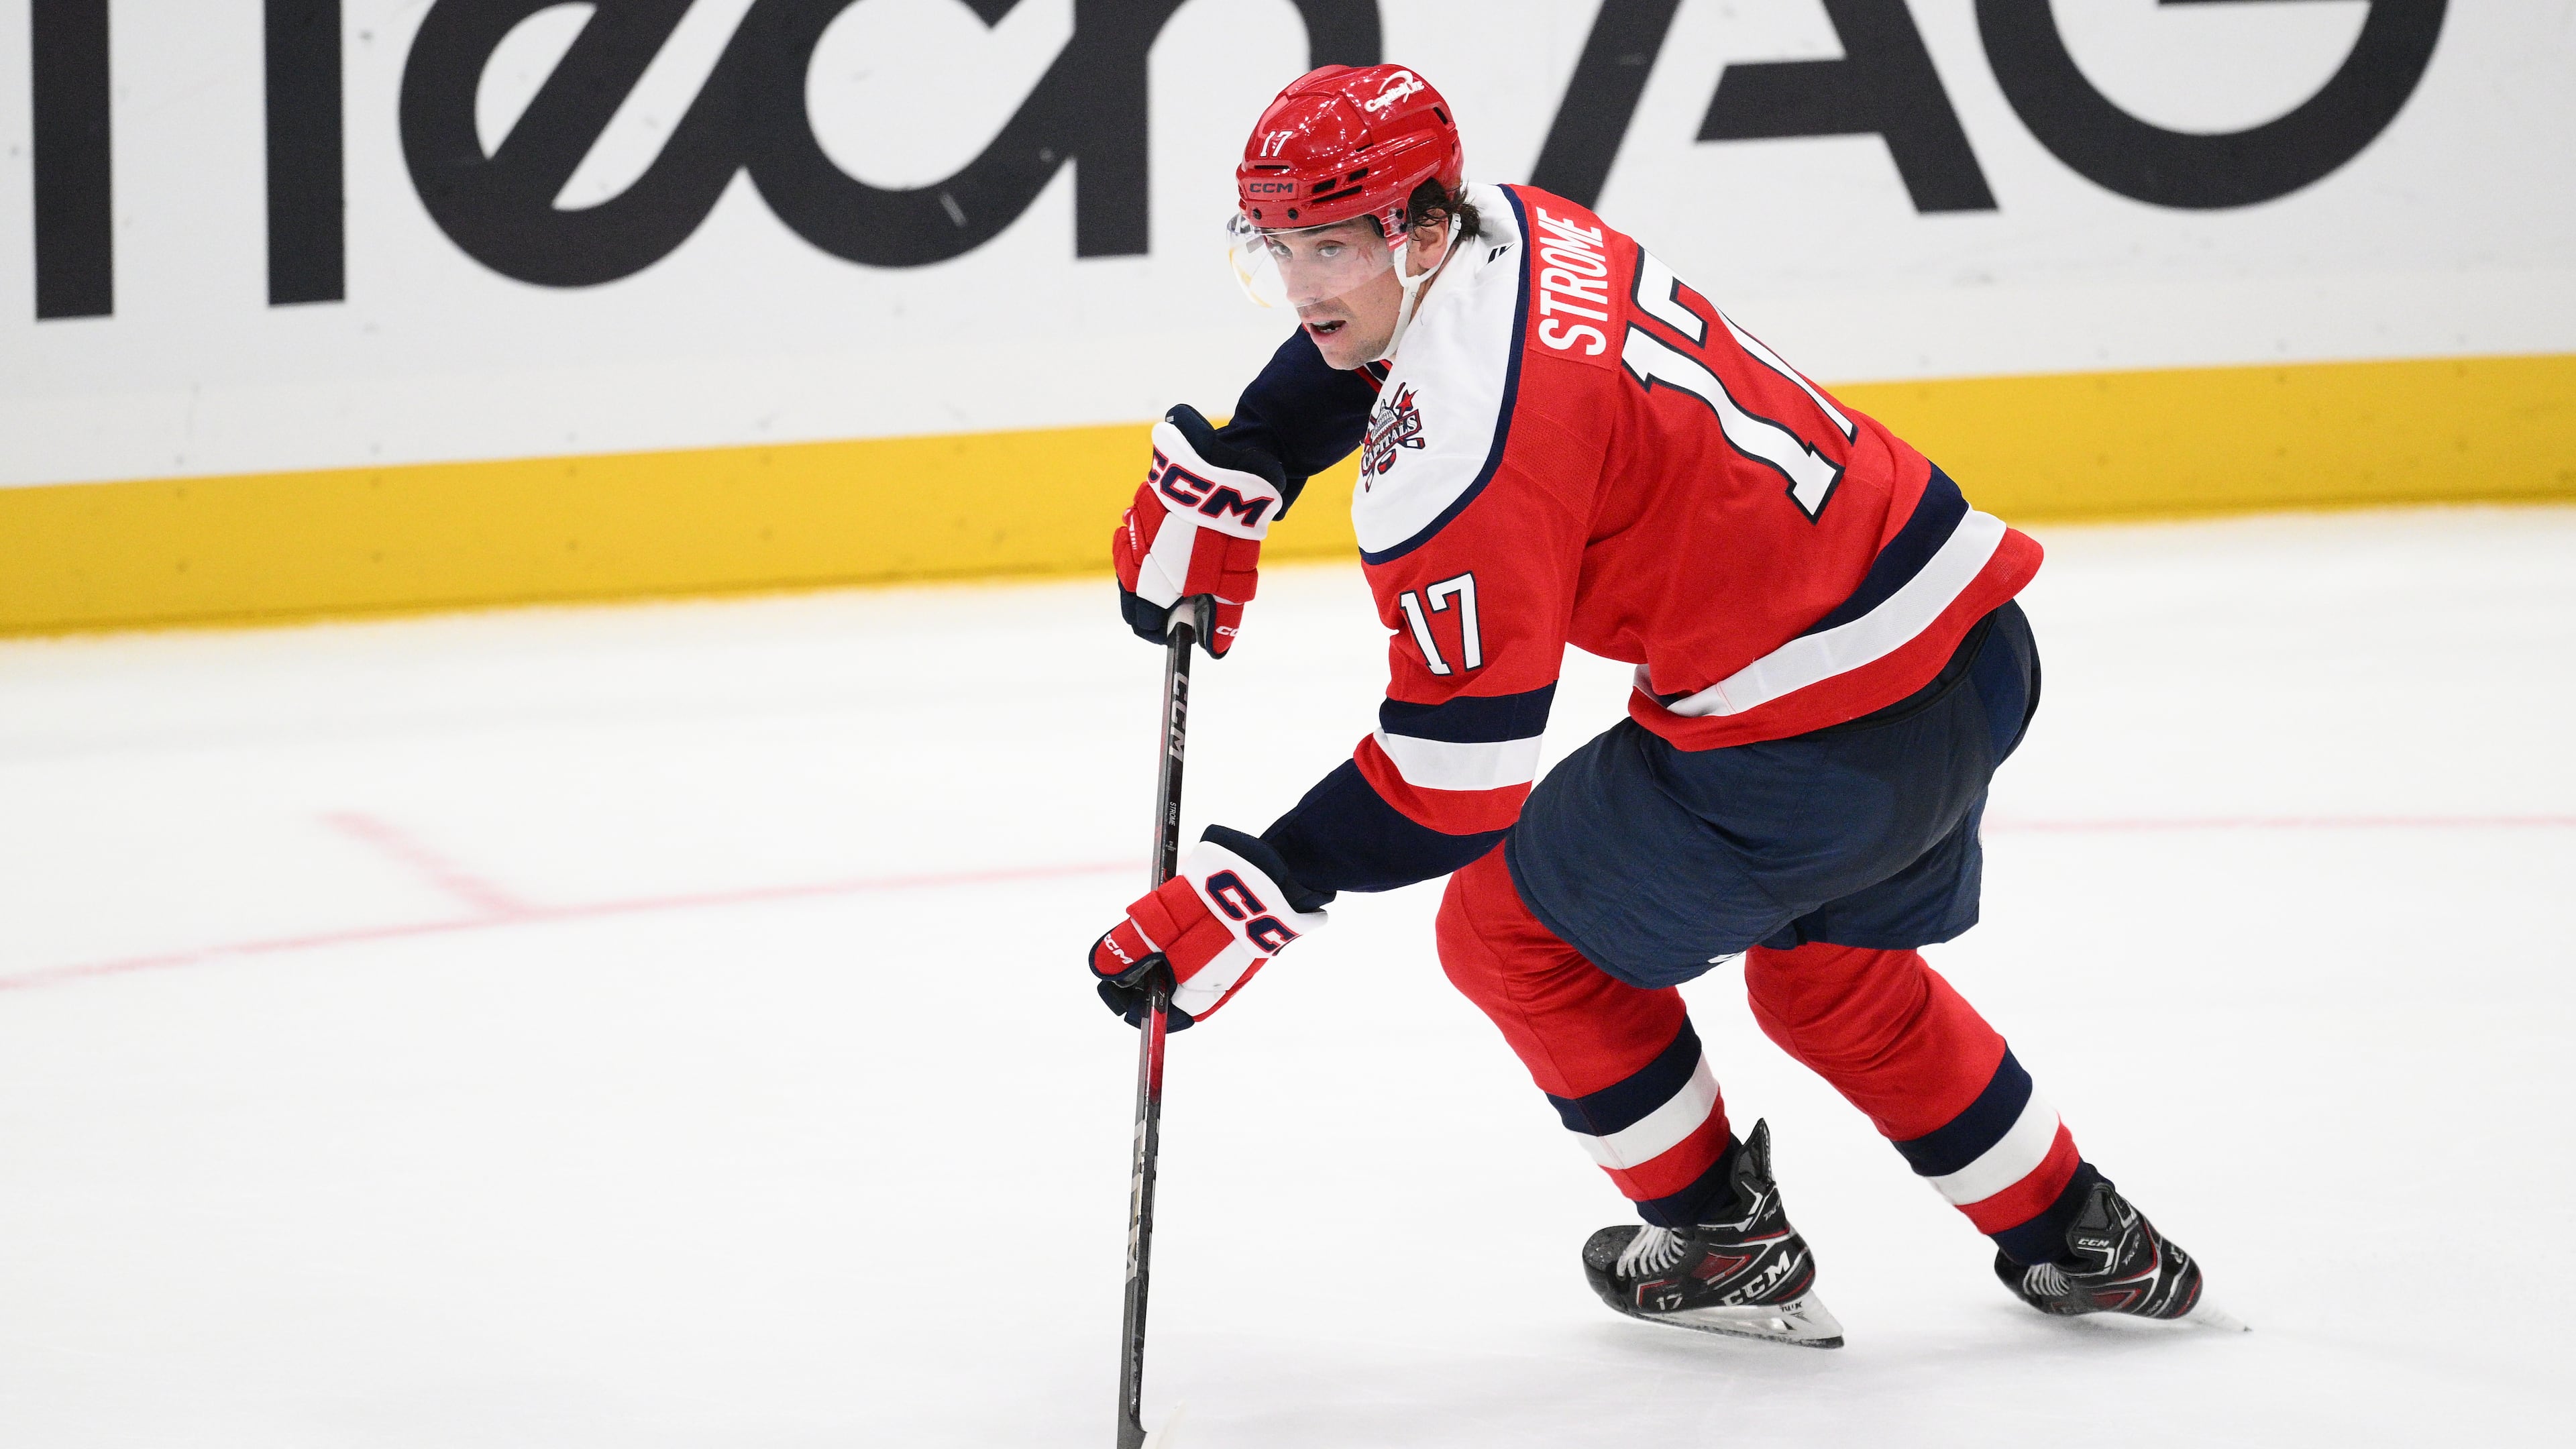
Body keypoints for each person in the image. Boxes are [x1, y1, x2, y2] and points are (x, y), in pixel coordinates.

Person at [1087, 63, 2223, 1346]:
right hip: (1969, 650)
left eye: (1330, 249)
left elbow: (1459, 778)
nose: (1301, 291)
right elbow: (1392, 345)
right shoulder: (1519, 221)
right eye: (1277, 249)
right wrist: (1261, 449)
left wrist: (1271, 879)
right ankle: (2082, 1233)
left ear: (1413, 228)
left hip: (1811, 743)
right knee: (1831, 985)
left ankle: (1719, 1237)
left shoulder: (1457, 452)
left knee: (1509, 934)